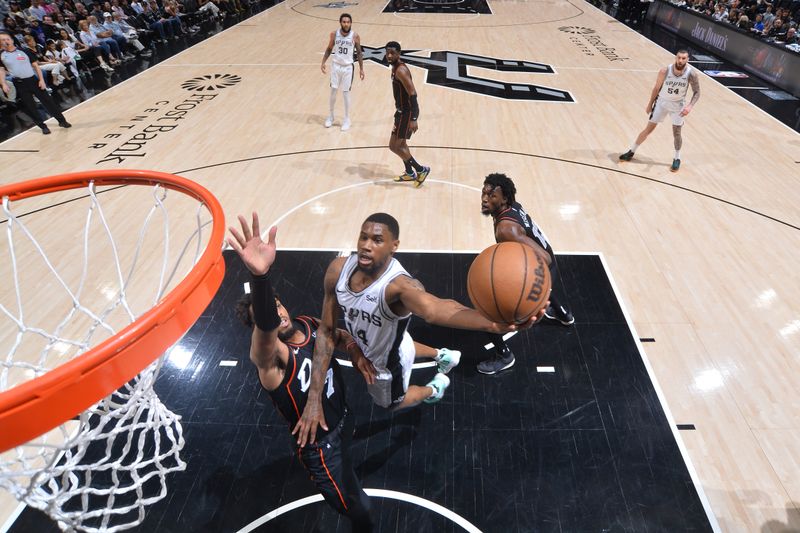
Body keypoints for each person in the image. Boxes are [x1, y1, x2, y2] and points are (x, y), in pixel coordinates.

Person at [293, 212, 545, 447]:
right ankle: (443, 355)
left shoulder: (399, 288)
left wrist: (492, 324)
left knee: (391, 404)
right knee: (400, 340)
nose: (366, 245)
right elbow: (326, 331)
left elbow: (436, 309)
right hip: (390, 338)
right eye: (364, 236)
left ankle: (434, 387)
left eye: (377, 240)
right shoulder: (338, 270)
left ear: (394, 246)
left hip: (385, 365)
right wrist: (314, 397)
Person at [227, 213, 373, 533]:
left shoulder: (308, 324)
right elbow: (266, 325)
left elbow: (336, 335)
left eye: (277, 304)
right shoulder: (271, 361)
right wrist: (260, 277)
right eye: (268, 312)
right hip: (322, 450)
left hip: (344, 417)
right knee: (361, 509)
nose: (277, 312)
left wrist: (354, 349)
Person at [478, 173, 574, 374]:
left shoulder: (506, 229)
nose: (485, 199)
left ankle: (504, 355)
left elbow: (543, 261)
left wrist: (521, 280)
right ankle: (563, 314)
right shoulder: (514, 206)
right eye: (484, 193)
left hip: (544, 271)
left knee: (486, 310)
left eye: (492, 196)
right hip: (551, 260)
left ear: (504, 199)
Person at [619, 49, 700, 172]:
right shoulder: (664, 71)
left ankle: (677, 158)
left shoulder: (691, 74)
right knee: (648, 129)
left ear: (688, 59)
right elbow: (656, 88)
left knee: (677, 133)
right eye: (679, 57)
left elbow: (697, 92)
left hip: (678, 106)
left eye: (684, 58)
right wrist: (650, 104)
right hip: (661, 103)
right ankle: (631, 151)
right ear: (675, 57)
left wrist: (690, 106)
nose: (681, 60)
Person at [0, 31, 71, 134]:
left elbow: (36, 66)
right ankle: (43, 126)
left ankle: (62, 121)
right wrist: (3, 83)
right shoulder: (2, 55)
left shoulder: (24, 51)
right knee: (31, 106)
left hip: (33, 80)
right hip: (19, 83)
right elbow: (1, 70)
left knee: (48, 101)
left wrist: (41, 80)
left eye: (7, 39)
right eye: (2, 39)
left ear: (11, 40)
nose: (5, 41)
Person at [385, 41, 430, 188]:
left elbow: (413, 94)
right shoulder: (395, 68)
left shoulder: (400, 71)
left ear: (399, 53)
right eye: (387, 52)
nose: (389, 55)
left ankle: (420, 170)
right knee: (401, 144)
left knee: (394, 146)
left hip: (406, 113)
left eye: (392, 52)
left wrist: (414, 118)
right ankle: (410, 173)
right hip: (401, 112)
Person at [321, 13, 363, 132]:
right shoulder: (334, 34)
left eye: (348, 22)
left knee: (345, 94)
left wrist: (361, 69)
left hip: (348, 67)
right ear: (340, 22)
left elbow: (359, 53)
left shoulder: (355, 36)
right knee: (333, 92)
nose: (346, 24)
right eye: (344, 22)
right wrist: (323, 62)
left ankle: (347, 119)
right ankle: (331, 116)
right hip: (336, 66)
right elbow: (329, 49)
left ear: (351, 23)